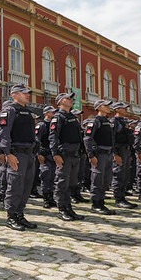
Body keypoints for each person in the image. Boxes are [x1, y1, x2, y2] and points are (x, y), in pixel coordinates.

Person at [0, 84, 39, 231]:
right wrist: (8, 153)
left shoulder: (27, 112)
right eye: (24, 93)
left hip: (29, 154)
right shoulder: (10, 110)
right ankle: (11, 216)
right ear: (14, 95)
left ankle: (20, 213)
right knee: (15, 186)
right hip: (17, 153)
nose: (28, 95)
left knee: (26, 186)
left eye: (28, 93)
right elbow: (3, 134)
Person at [48, 92, 84, 221]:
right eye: (68, 98)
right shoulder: (58, 117)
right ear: (61, 101)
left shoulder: (72, 117)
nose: (71, 100)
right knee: (62, 183)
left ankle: (69, 208)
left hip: (74, 154)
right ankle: (62, 209)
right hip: (64, 155)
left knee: (71, 183)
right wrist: (55, 154)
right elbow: (53, 137)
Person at [83, 100, 117, 215]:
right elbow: (87, 138)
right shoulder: (95, 121)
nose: (108, 107)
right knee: (97, 179)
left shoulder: (107, 121)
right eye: (106, 105)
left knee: (106, 179)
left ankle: (101, 201)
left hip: (108, 154)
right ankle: (96, 203)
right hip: (100, 154)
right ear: (99, 107)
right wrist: (91, 155)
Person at [110, 102, 138, 209]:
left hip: (126, 150)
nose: (126, 109)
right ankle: (118, 199)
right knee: (118, 175)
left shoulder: (124, 121)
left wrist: (130, 153)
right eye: (123, 108)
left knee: (125, 175)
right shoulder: (114, 122)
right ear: (117, 109)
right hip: (119, 150)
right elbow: (112, 139)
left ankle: (123, 197)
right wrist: (115, 154)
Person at [35, 106, 57, 209]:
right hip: (45, 154)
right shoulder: (41, 125)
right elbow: (37, 140)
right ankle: (46, 199)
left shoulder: (54, 124)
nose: (54, 113)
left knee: (52, 177)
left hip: (52, 154)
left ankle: (51, 197)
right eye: (52, 112)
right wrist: (39, 154)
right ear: (46, 113)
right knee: (45, 176)